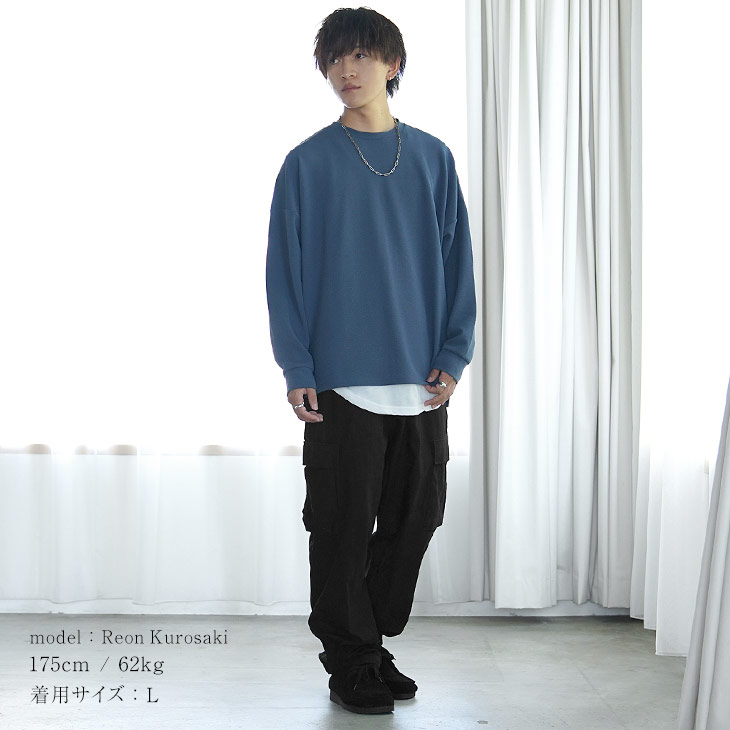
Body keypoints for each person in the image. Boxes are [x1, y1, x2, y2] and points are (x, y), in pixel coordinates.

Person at [266, 6, 476, 716]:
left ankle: (368, 636)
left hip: (420, 381)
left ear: (393, 64)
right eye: (334, 58)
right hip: (341, 383)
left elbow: (458, 263)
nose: (346, 70)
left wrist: (454, 351)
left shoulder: (433, 159)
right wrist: (297, 367)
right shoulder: (306, 164)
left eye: (360, 55)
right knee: (340, 527)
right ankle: (352, 658)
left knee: (417, 518)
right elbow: (283, 275)